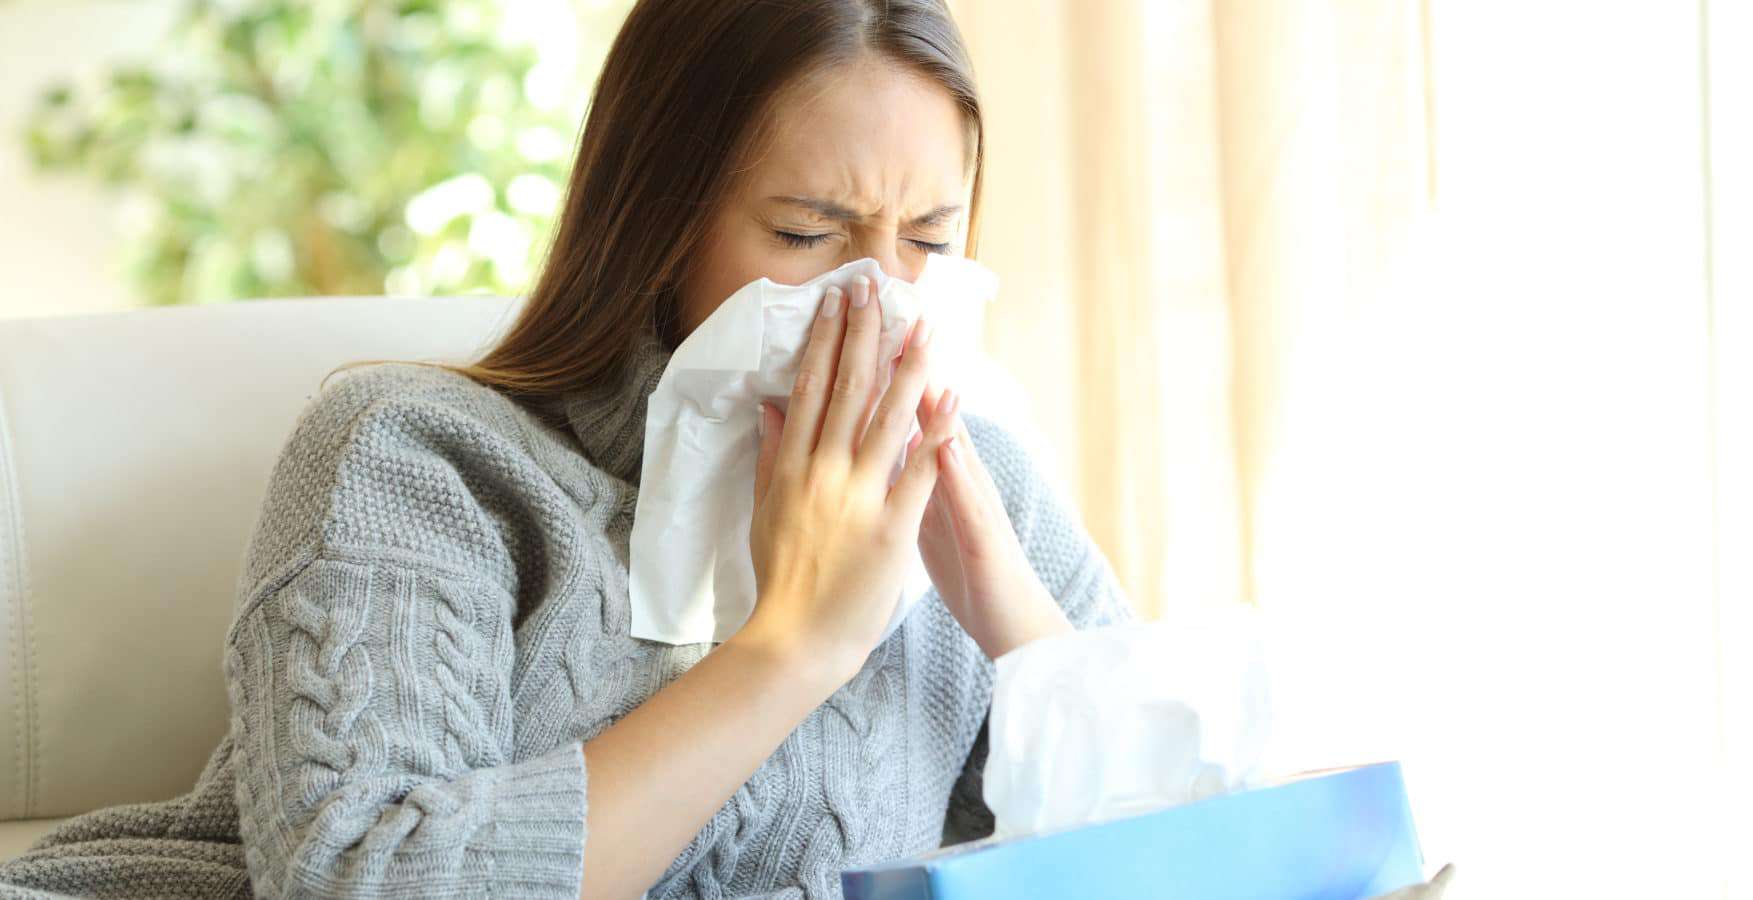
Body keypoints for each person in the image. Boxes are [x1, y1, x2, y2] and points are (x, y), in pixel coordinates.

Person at [0, 1, 1134, 897]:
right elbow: (365, 881)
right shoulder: (418, 462)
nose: (877, 301)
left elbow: (1203, 829)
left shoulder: (978, 480)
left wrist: (1023, 634)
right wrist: (792, 647)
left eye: (929, 240)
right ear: (660, 223)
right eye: (805, 234)